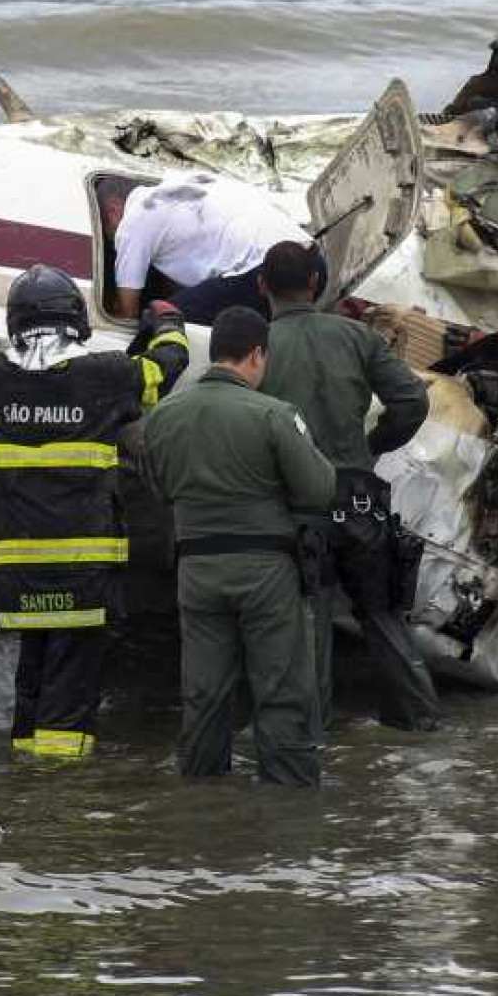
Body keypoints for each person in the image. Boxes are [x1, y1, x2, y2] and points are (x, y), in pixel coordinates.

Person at [0, 266, 190, 761]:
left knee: (34, 669)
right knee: (71, 686)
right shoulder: (107, 376)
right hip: (83, 567)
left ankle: (25, 768)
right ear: (76, 319)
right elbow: (167, 365)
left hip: (20, 567)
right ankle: (56, 799)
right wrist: (167, 319)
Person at [141, 305, 336, 786]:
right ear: (256, 354)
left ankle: (203, 802)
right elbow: (318, 489)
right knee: (281, 688)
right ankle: (288, 805)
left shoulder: (163, 417)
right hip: (265, 571)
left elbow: (159, 489)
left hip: (196, 571)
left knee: (205, 692)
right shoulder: (273, 414)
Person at [254, 240, 441, 732]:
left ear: (262, 287)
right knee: (382, 617)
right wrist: (371, 446)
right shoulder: (357, 337)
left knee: (309, 623)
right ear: (315, 283)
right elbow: (412, 403)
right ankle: (422, 727)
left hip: (298, 511)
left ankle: (309, 741)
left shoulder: (258, 349)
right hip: (360, 503)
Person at [101, 173, 311, 325]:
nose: (113, 241)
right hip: (310, 260)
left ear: (112, 211)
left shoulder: (134, 219)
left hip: (263, 271)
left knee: (161, 320)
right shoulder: (182, 181)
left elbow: (127, 310)